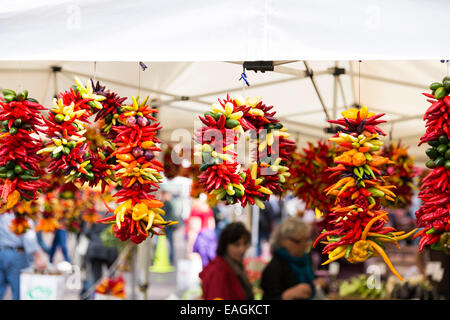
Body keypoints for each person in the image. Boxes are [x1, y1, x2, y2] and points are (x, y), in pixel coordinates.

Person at [260, 216, 326, 300]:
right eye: (298, 241)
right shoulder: (274, 268)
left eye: (306, 240)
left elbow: (312, 284)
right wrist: (287, 296)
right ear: (283, 241)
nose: (305, 244)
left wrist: (318, 283)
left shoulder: (305, 260)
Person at [199, 222, 254, 300]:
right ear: (225, 245)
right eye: (236, 244)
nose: (242, 249)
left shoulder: (234, 265)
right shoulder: (218, 271)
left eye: (245, 243)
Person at [0, 212, 47, 300]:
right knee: (19, 292)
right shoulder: (20, 213)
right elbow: (28, 236)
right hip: (16, 255)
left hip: (2, 253)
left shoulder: (3, 212)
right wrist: (38, 256)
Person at [161, 189, 178, 265]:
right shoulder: (168, 203)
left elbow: (167, 216)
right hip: (168, 227)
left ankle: (171, 259)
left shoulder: (167, 204)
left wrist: (163, 226)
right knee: (169, 243)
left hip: (168, 227)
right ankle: (170, 258)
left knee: (169, 243)